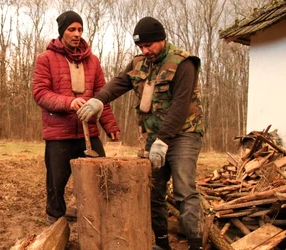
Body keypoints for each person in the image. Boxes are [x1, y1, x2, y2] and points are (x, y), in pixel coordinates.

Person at [77, 16, 204, 250]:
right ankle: (162, 243)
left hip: (184, 134)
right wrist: (98, 100)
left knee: (184, 190)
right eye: (141, 47)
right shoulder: (139, 62)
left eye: (149, 45)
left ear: (162, 40)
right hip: (153, 136)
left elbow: (180, 105)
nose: (145, 51)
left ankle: (195, 245)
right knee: (153, 190)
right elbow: (119, 83)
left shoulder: (183, 63)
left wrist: (163, 141)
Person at [32, 10, 121, 224]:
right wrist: (68, 102)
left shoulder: (93, 61)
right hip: (58, 135)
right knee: (56, 183)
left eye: (80, 29)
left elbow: (102, 96)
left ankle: (98, 219)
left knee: (101, 178)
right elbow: (40, 93)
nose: (77, 34)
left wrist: (109, 124)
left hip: (88, 132)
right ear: (62, 32)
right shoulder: (46, 59)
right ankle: (56, 223)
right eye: (72, 29)